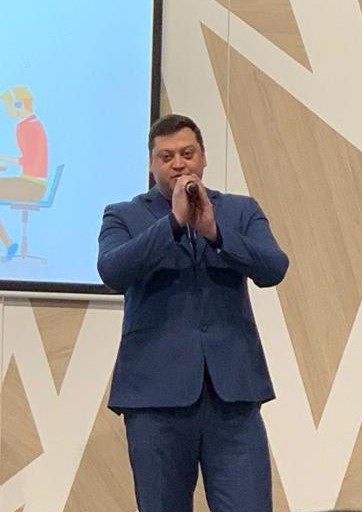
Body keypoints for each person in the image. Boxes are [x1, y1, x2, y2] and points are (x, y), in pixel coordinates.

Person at [97, 114, 289, 512]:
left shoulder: (239, 210)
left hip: (233, 397)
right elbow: (113, 271)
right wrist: (173, 223)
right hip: (155, 400)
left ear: (203, 158)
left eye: (187, 153)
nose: (178, 163)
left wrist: (215, 233)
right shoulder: (123, 215)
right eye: (166, 156)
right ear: (152, 164)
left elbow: (273, 268)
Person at [0, 86, 49, 259]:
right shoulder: (29, 125)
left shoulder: (28, 127)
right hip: (30, 182)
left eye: (8, 106)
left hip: (32, 185)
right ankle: (7, 243)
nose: (7, 111)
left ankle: (7, 243)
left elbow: (29, 160)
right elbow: (28, 159)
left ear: (19, 104)